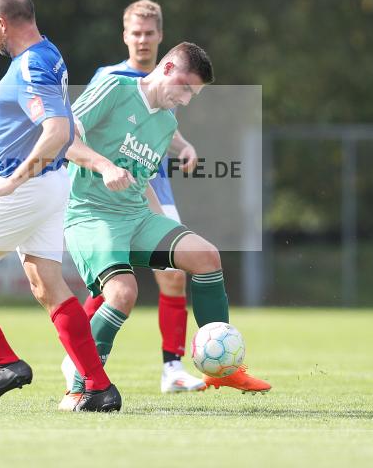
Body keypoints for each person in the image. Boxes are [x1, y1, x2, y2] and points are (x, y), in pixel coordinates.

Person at [0, 0, 121, 412]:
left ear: (1, 23)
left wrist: (12, 182)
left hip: (27, 187)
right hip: (52, 186)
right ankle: (98, 386)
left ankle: (5, 364)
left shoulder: (31, 65)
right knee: (48, 286)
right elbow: (66, 128)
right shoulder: (49, 53)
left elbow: (56, 131)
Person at [59, 42, 271, 409]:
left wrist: (165, 227)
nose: (187, 100)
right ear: (168, 68)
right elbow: (62, 139)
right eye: (186, 89)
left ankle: (222, 367)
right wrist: (104, 166)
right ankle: (79, 387)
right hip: (91, 213)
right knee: (123, 294)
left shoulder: (166, 122)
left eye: (194, 95)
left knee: (205, 256)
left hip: (136, 216)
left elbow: (141, 184)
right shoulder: (115, 88)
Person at [62, 0, 206, 394]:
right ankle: (80, 355)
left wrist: (184, 146)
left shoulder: (175, 83)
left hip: (153, 188)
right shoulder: (111, 78)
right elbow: (79, 128)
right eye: (135, 33)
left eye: (149, 33)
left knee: (173, 276)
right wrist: (101, 167)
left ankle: (172, 368)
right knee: (114, 285)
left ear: (160, 36)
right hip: (109, 193)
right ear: (125, 36)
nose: (142, 41)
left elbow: (164, 125)